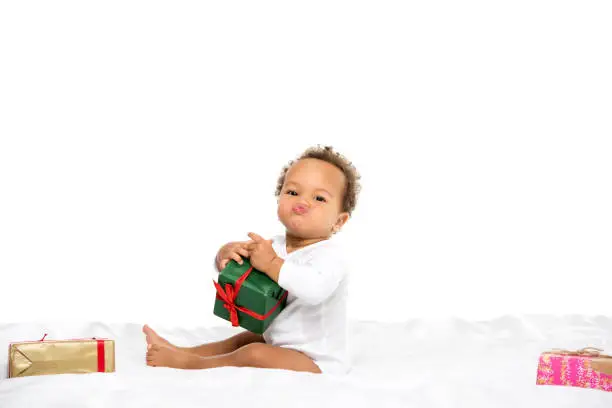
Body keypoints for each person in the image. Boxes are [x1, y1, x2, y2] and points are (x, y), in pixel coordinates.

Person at [143, 145, 361, 375]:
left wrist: (272, 264)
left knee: (254, 352)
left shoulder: (331, 256)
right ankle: (185, 351)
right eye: (293, 192)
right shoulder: (274, 246)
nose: (303, 202)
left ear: (339, 221)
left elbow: (314, 288)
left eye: (319, 198)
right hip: (280, 342)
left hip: (317, 359)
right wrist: (226, 256)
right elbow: (245, 272)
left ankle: (191, 365)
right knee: (244, 340)